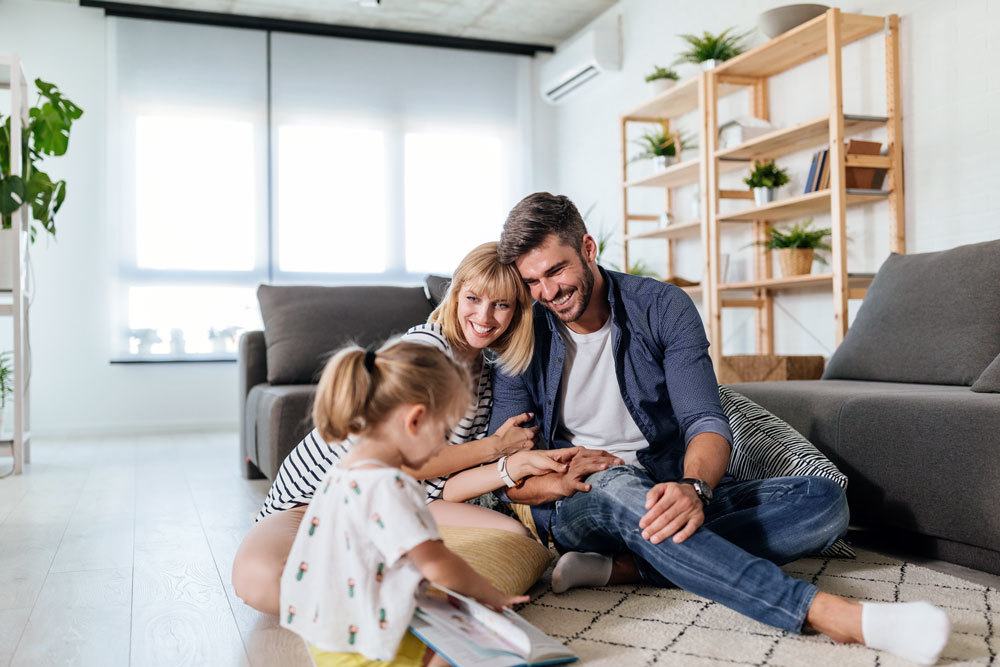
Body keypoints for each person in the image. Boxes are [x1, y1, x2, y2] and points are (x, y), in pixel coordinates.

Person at [488, 192, 951, 666]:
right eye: (532, 281)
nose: (546, 292)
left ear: (587, 248)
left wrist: (694, 487)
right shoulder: (523, 329)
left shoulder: (661, 306)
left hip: (665, 487)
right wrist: (562, 480)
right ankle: (831, 614)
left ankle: (631, 567)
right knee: (620, 484)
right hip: (581, 500)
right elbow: (508, 475)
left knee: (825, 503)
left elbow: (704, 420)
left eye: (555, 271)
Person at [233, 242, 565, 615]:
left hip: (403, 500)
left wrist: (511, 468)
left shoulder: (487, 380)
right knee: (263, 581)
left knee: (514, 539)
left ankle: (400, 594)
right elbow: (410, 462)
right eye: (473, 298)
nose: (484, 316)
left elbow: (442, 486)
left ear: (517, 312)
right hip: (316, 500)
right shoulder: (425, 348)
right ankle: (387, 598)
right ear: (456, 295)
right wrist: (495, 447)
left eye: (501, 304)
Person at [281, 339, 528, 666]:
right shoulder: (391, 485)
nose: (444, 445)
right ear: (415, 421)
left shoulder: (341, 472)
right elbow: (438, 564)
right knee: (486, 646)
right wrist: (488, 593)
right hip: (371, 648)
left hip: (327, 640)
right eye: (445, 432)